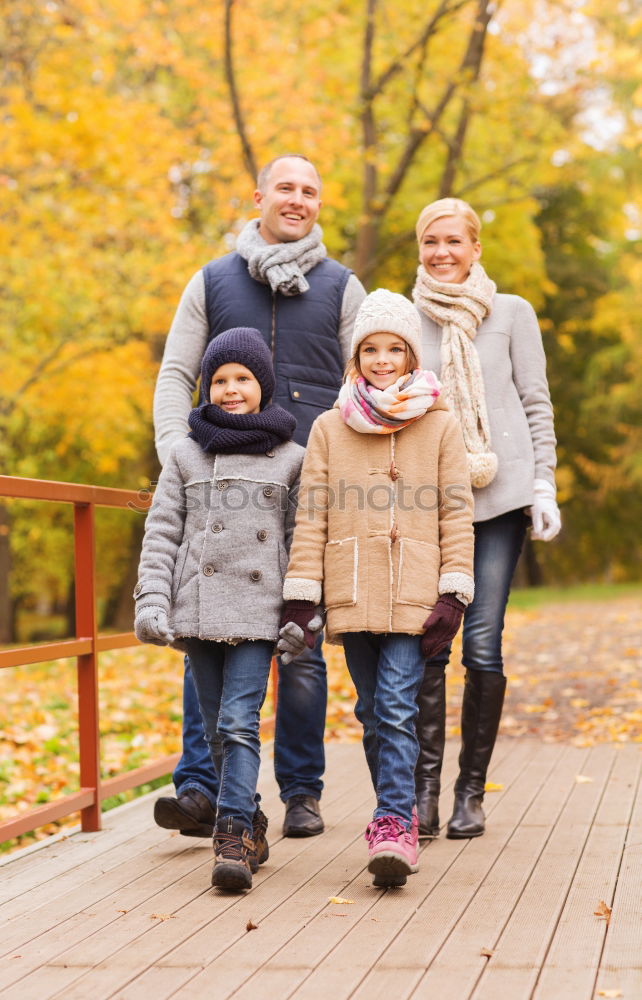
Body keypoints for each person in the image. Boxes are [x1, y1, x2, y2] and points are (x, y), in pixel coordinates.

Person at [152, 154, 366, 839]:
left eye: (310, 189)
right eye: (286, 188)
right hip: (217, 493)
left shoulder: (341, 287)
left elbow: (365, 383)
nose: (297, 199)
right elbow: (176, 373)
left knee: (300, 646)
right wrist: (178, 463)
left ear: (319, 203)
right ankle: (200, 789)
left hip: (303, 495)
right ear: (259, 196)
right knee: (206, 634)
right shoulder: (213, 280)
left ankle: (302, 790)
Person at [279, 289, 475, 886]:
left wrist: (453, 593)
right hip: (351, 587)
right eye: (371, 349)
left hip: (417, 593)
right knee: (373, 710)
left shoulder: (440, 425)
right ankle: (399, 813)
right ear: (355, 356)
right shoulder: (328, 428)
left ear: (412, 357)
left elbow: (456, 512)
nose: (383, 359)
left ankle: (393, 823)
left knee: (394, 706)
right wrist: (301, 593)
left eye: (395, 348)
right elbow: (311, 513)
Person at [410, 197, 560, 840]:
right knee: (429, 645)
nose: (442, 253)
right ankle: (422, 794)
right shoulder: (402, 317)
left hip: (498, 502)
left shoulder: (512, 313)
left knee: (482, 644)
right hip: (429, 503)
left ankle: (471, 791)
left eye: (453, 242)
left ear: (475, 248)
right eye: (430, 243)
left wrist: (544, 484)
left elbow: (535, 402)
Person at [134, 328, 304, 890]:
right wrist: (153, 597)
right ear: (207, 388)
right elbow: (162, 532)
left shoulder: (291, 458)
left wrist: (305, 611)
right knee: (213, 729)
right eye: (221, 380)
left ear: (264, 386)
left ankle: (230, 832)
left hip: (258, 610)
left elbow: (302, 539)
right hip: (199, 609)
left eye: (243, 379)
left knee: (238, 723)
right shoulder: (186, 453)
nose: (232, 389)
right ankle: (251, 817)